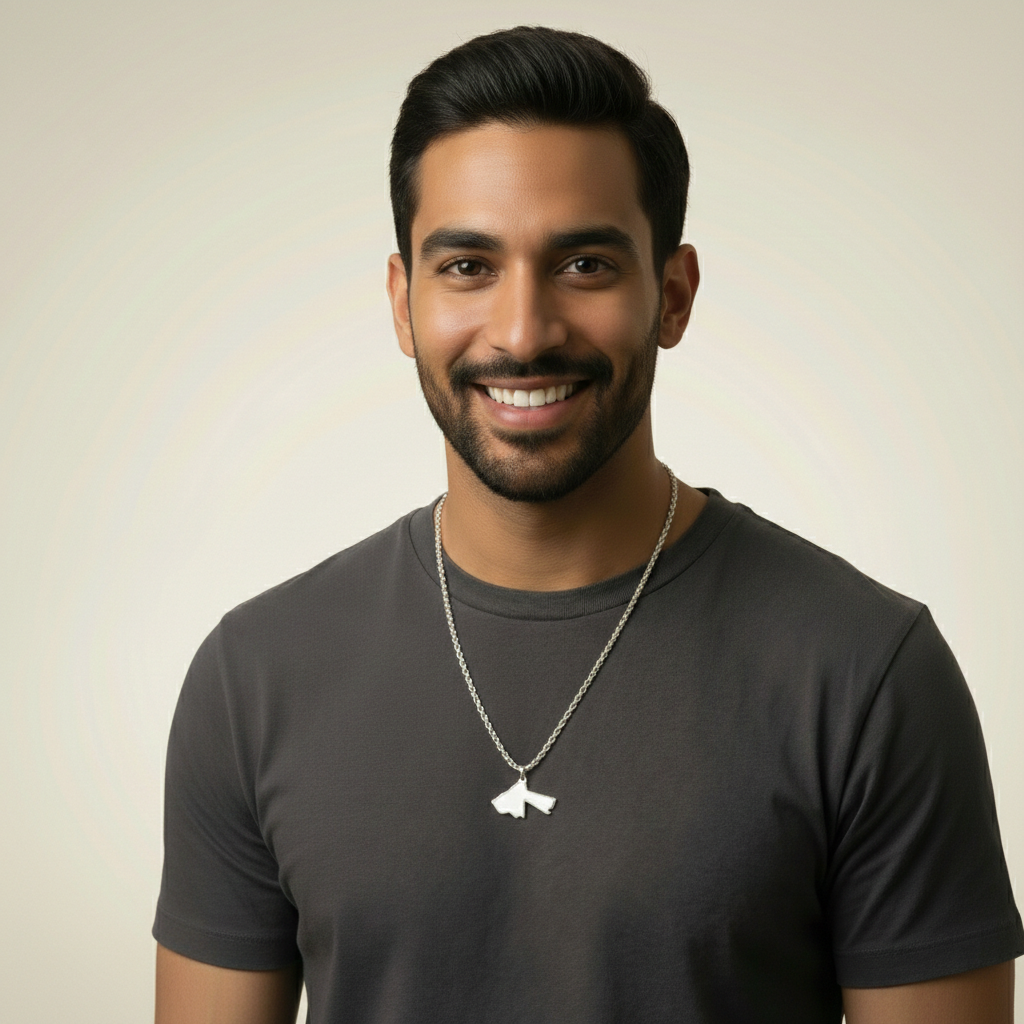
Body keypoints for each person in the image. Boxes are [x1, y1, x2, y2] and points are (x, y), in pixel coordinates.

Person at [153, 26, 1022, 1024]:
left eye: (585, 264)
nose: (522, 331)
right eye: (468, 266)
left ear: (675, 294)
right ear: (403, 304)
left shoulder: (865, 672)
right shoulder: (254, 676)